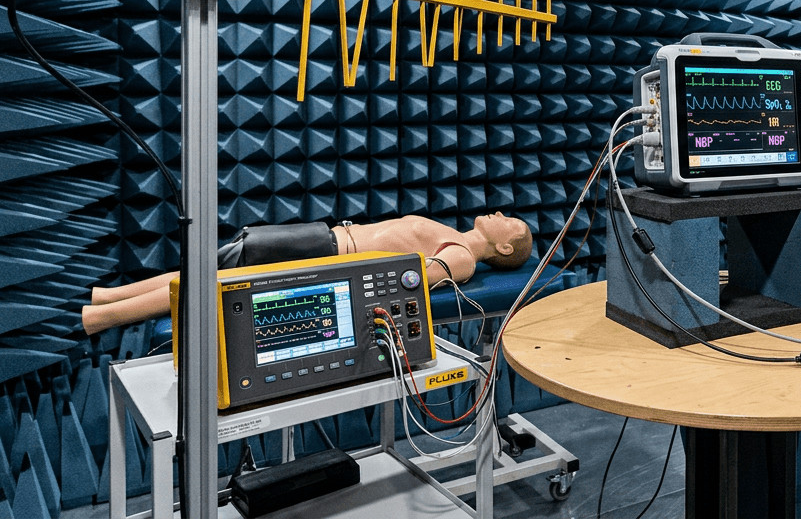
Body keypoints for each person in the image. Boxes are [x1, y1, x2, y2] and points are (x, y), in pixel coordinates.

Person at [81, 212, 533, 335]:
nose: (499, 212)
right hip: (326, 237)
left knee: (211, 276)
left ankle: (106, 316)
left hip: (325, 251)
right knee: (213, 264)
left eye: (509, 220)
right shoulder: (454, 235)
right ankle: (110, 298)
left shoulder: (463, 258)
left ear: (506, 246)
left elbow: (407, 279)